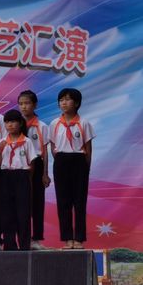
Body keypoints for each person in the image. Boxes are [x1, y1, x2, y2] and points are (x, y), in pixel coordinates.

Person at [49, 88, 95, 249]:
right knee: (63, 202)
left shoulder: (84, 123)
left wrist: (86, 167)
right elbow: (53, 146)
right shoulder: (55, 123)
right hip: (61, 161)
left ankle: (79, 238)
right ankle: (67, 238)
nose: (64, 103)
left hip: (79, 161)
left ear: (76, 103)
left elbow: (88, 148)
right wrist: (60, 159)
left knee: (79, 202)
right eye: (61, 100)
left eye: (68, 99)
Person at [0, 110, 37, 251]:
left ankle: (24, 245)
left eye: (13, 121)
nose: (10, 125)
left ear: (20, 123)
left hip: (22, 175)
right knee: (7, 213)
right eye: (7, 122)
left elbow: (32, 163)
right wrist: (0, 150)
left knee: (23, 212)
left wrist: (26, 179)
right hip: (5, 176)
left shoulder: (27, 141)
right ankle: (9, 245)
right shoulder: (2, 142)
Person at [18, 90, 51, 249]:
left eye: (27, 103)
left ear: (35, 105)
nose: (24, 107)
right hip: (19, 165)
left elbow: (45, 151)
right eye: (21, 104)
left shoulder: (42, 126)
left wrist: (45, 173)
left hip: (36, 163)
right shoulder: (15, 125)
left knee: (37, 202)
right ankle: (22, 238)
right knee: (21, 203)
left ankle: (36, 238)